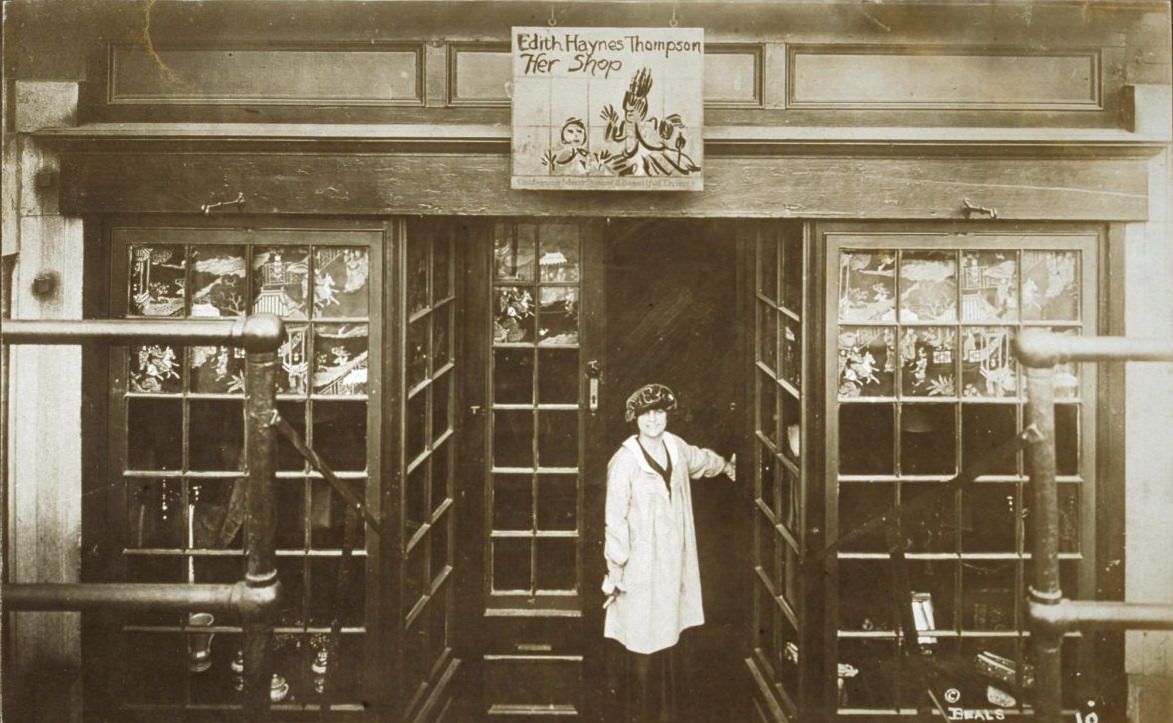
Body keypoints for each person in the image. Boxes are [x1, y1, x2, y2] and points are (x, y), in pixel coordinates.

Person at [603, 383, 736, 722]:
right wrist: (616, 569)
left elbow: (700, 460)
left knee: (668, 628)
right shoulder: (624, 461)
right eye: (646, 414)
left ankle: (666, 712)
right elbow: (614, 519)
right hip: (639, 563)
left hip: (673, 559)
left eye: (659, 413)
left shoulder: (675, 448)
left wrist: (727, 466)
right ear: (635, 419)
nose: (653, 420)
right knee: (641, 633)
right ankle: (641, 712)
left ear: (667, 415)